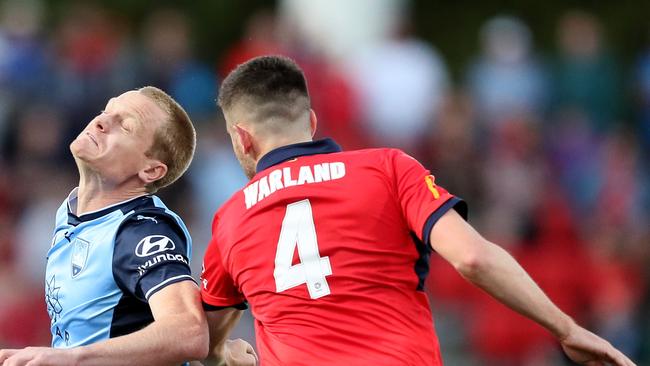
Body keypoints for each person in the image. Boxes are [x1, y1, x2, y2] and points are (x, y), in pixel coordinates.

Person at [199, 55, 636, 366]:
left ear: (242, 138)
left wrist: (224, 355)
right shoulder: (386, 166)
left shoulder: (229, 218)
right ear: (311, 123)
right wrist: (566, 329)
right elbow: (473, 257)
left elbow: (207, 329)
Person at [0, 87, 251, 366]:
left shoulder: (142, 230)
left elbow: (189, 332)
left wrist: (70, 358)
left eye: (126, 126)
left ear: (151, 170)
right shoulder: (71, 208)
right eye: (107, 111)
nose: (101, 122)